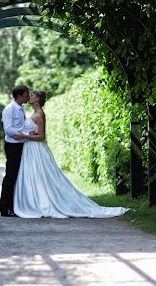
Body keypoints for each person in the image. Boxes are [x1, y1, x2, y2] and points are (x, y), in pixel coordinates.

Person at [13, 90, 131, 218]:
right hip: (30, 149)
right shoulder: (33, 113)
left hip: (37, 148)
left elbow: (42, 137)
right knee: (35, 175)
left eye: (31, 95)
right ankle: (35, 202)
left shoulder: (40, 114)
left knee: (44, 175)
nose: (29, 97)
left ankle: (46, 203)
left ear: (37, 99)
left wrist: (25, 136)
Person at [0, 84, 30, 216]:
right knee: (11, 176)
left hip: (22, 145)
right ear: (19, 96)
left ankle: (16, 206)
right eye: (26, 94)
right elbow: (8, 129)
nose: (28, 96)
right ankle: (5, 208)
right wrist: (24, 134)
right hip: (13, 146)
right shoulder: (9, 109)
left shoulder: (22, 108)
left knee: (19, 176)